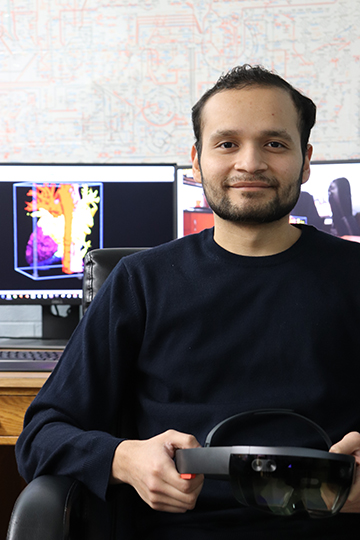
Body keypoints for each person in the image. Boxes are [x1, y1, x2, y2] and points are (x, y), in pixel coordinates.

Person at [16, 65, 360, 538]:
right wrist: (124, 458)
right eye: (227, 144)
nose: (251, 163)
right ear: (196, 162)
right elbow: (40, 435)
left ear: (305, 161)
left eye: (275, 144)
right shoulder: (140, 282)